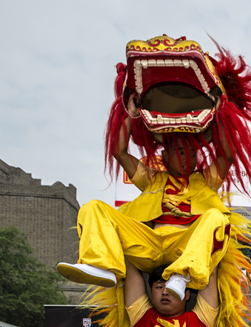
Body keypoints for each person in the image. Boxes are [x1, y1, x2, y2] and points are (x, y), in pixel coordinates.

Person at [57, 97, 233, 302]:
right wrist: (128, 114)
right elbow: (119, 152)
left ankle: (182, 275)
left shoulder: (204, 181)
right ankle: (101, 264)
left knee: (217, 217)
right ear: (165, 157)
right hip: (149, 245)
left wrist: (222, 116)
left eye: (193, 153)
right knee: (93, 207)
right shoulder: (152, 179)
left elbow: (228, 155)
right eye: (181, 152)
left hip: (185, 247)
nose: (188, 159)